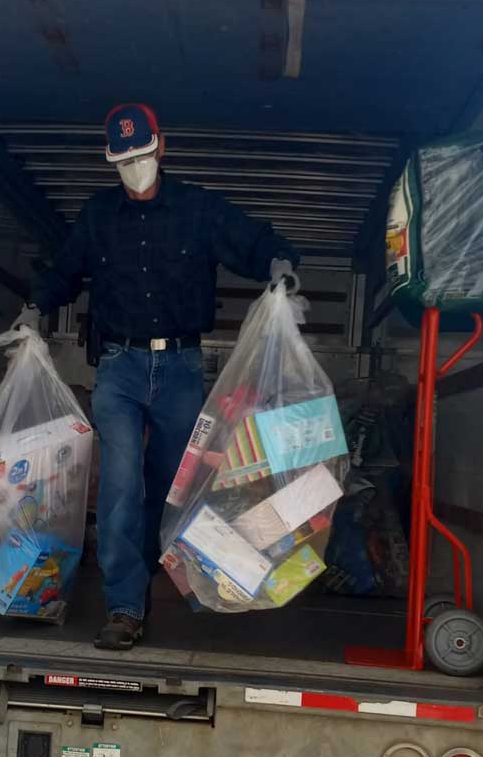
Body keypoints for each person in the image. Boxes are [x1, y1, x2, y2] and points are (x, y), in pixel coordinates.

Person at [17, 103, 298, 651]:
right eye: (122, 159)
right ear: (111, 161)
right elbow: (64, 272)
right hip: (119, 368)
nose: (134, 166)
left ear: (160, 147)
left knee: (172, 488)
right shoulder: (99, 215)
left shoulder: (197, 209)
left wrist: (280, 265)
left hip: (180, 370)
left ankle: (160, 576)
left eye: (142, 155)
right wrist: (34, 308)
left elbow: (254, 240)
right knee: (122, 484)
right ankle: (124, 607)